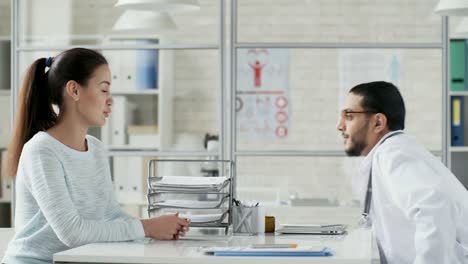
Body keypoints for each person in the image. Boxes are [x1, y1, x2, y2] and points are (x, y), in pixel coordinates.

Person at [2, 48, 190, 264]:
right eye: (103, 90)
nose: (111, 101)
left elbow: (111, 216)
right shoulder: (42, 150)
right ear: (74, 90)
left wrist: (157, 227)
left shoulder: (96, 149)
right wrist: (146, 228)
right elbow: (72, 232)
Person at [337, 81, 468, 264]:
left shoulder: (393, 154)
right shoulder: (390, 152)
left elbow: (434, 205)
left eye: (349, 117)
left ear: (378, 122)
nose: (340, 126)